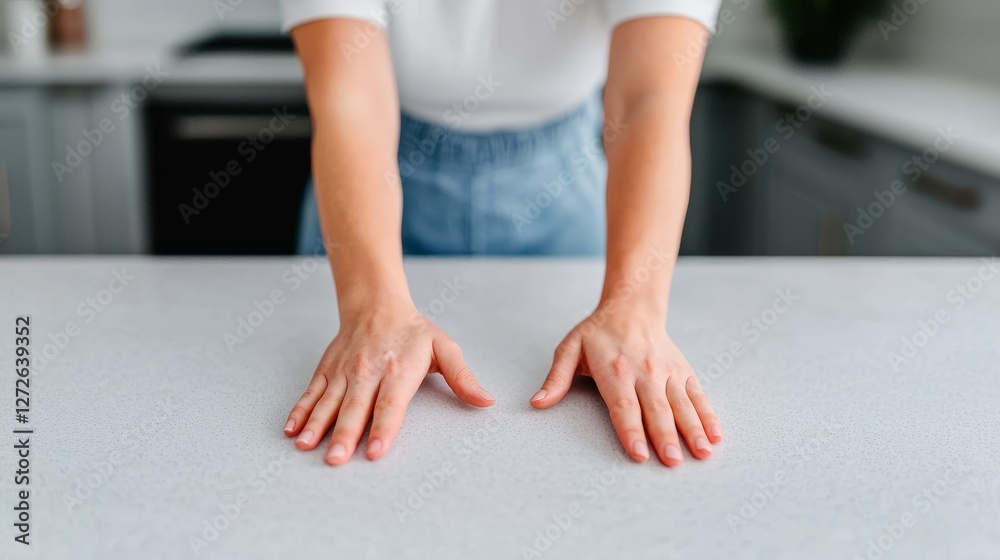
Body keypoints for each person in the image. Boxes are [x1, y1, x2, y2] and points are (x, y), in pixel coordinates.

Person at [281, 0, 725, 467]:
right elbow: (350, 101)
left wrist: (633, 308)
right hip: (376, 171)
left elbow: (648, 102)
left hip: (563, 182)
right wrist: (369, 307)